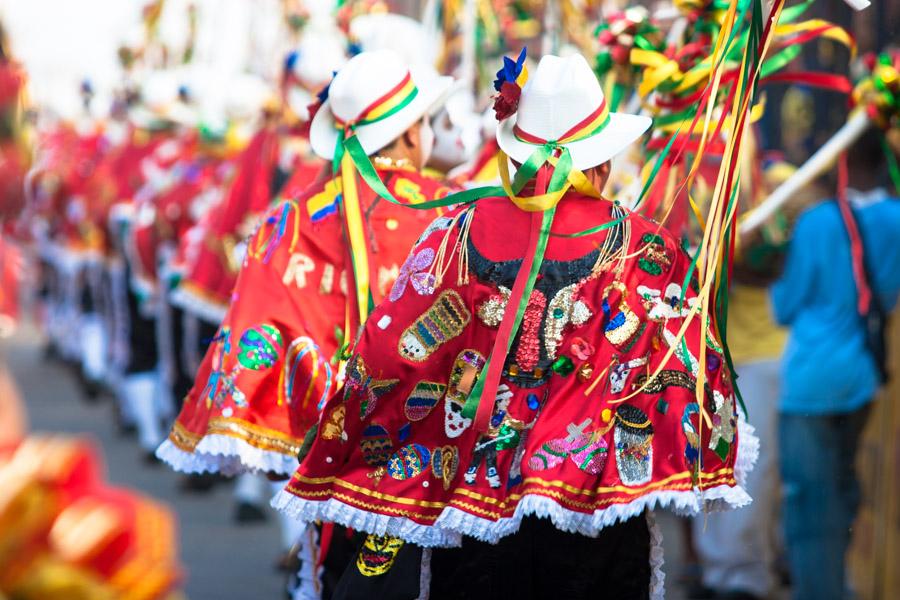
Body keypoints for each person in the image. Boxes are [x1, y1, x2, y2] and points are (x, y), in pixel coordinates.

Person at [274, 52, 754, 599]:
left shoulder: (452, 234)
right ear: (597, 165)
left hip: (474, 514)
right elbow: (684, 376)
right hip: (592, 518)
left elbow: (387, 359)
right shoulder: (645, 249)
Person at [770, 129, 900, 600]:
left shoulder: (817, 223)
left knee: (808, 505)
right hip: (863, 379)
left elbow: (785, 307)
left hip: (809, 384)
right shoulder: (896, 220)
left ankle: (820, 591)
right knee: (842, 486)